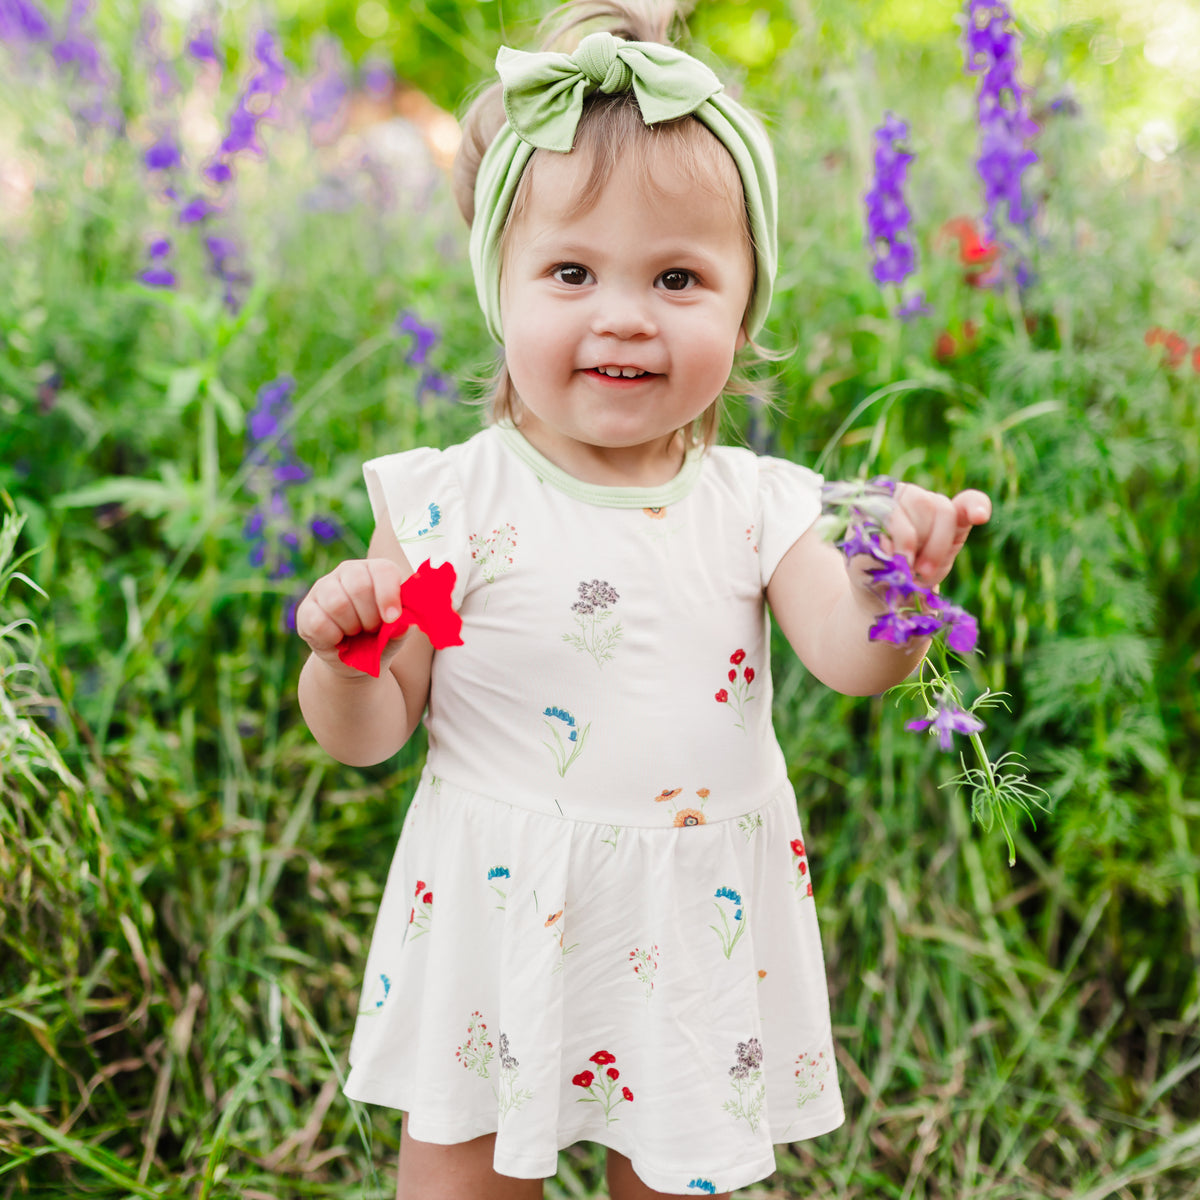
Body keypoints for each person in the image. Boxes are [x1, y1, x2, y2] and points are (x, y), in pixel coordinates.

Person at [295, 2, 991, 1197]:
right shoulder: (445, 506)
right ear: (498, 286)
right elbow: (370, 735)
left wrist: (899, 587)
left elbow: (847, 658)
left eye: (678, 277)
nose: (624, 313)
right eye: (571, 272)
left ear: (742, 306)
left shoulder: (762, 506)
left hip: (693, 916)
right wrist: (348, 659)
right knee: (459, 1178)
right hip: (498, 910)